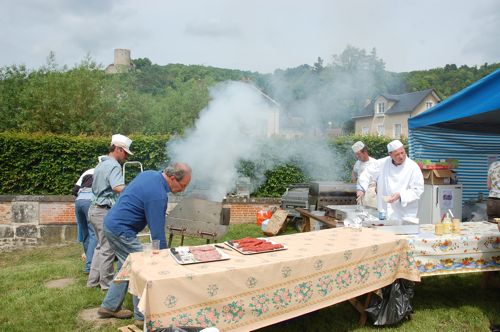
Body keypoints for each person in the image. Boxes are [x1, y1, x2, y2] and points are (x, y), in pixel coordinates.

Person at [96, 163, 192, 327]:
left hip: (112, 223)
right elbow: (157, 234)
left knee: (126, 267)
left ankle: (109, 306)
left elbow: (128, 194)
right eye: (182, 186)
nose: (182, 190)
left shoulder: (149, 174)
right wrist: (163, 259)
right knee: (141, 268)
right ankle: (142, 317)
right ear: (172, 178)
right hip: (121, 229)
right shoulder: (158, 195)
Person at [87, 134, 132, 290]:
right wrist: (133, 190)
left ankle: (92, 282)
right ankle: (106, 285)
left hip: (94, 210)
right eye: (125, 153)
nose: (126, 157)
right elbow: (117, 187)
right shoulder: (114, 165)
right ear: (118, 149)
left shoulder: (100, 164)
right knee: (108, 249)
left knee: (100, 247)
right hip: (103, 211)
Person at [357, 140, 424, 221]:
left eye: (402, 153)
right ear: (390, 155)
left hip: (405, 214)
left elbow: (418, 190)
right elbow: (367, 173)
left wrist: (400, 195)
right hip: (385, 211)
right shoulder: (382, 163)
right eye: (397, 154)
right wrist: (361, 188)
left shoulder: (413, 167)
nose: (401, 156)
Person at [72, 167, 97, 274]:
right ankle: (89, 266)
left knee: (86, 234)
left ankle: (88, 264)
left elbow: (74, 191)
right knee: (94, 234)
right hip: (90, 201)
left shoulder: (87, 171)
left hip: (79, 202)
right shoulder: (105, 171)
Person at [351, 141, 377, 208]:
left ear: (365, 152)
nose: (357, 156)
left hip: (371, 194)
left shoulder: (375, 163)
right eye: (356, 154)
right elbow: (354, 173)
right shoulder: (358, 163)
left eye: (358, 154)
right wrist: (356, 185)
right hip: (360, 193)